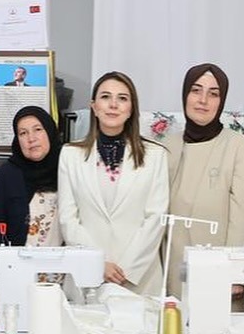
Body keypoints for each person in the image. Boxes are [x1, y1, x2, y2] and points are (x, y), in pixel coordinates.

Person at [58, 72, 170, 295]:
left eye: (122, 98)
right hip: (88, 276)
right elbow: (68, 219)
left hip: (140, 279)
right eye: (105, 97)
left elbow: (156, 218)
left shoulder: (156, 156)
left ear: (131, 109)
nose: (113, 105)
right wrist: (98, 263)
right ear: (94, 106)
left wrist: (125, 270)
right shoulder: (70, 154)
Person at [162, 64, 244, 285]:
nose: (203, 100)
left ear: (222, 101)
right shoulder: (167, 146)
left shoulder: (238, 146)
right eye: (196, 90)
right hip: (170, 271)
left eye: (213, 94)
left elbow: (243, 218)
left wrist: (236, 276)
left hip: (218, 274)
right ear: (185, 95)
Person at [0, 106, 63, 246]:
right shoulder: (6, 175)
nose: (31, 138)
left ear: (49, 131)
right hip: (18, 258)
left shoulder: (67, 167)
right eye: (23, 133)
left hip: (66, 258)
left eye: (38, 129)